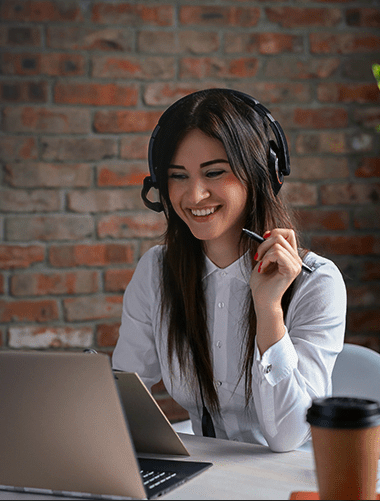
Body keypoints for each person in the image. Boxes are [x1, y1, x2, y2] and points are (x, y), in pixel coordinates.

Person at [111, 89, 347, 452]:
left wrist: (268, 309)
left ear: (261, 173)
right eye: (178, 176)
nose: (194, 196)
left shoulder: (317, 283)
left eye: (214, 173)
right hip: (208, 477)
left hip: (296, 478)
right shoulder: (157, 272)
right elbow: (122, 396)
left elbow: (287, 437)